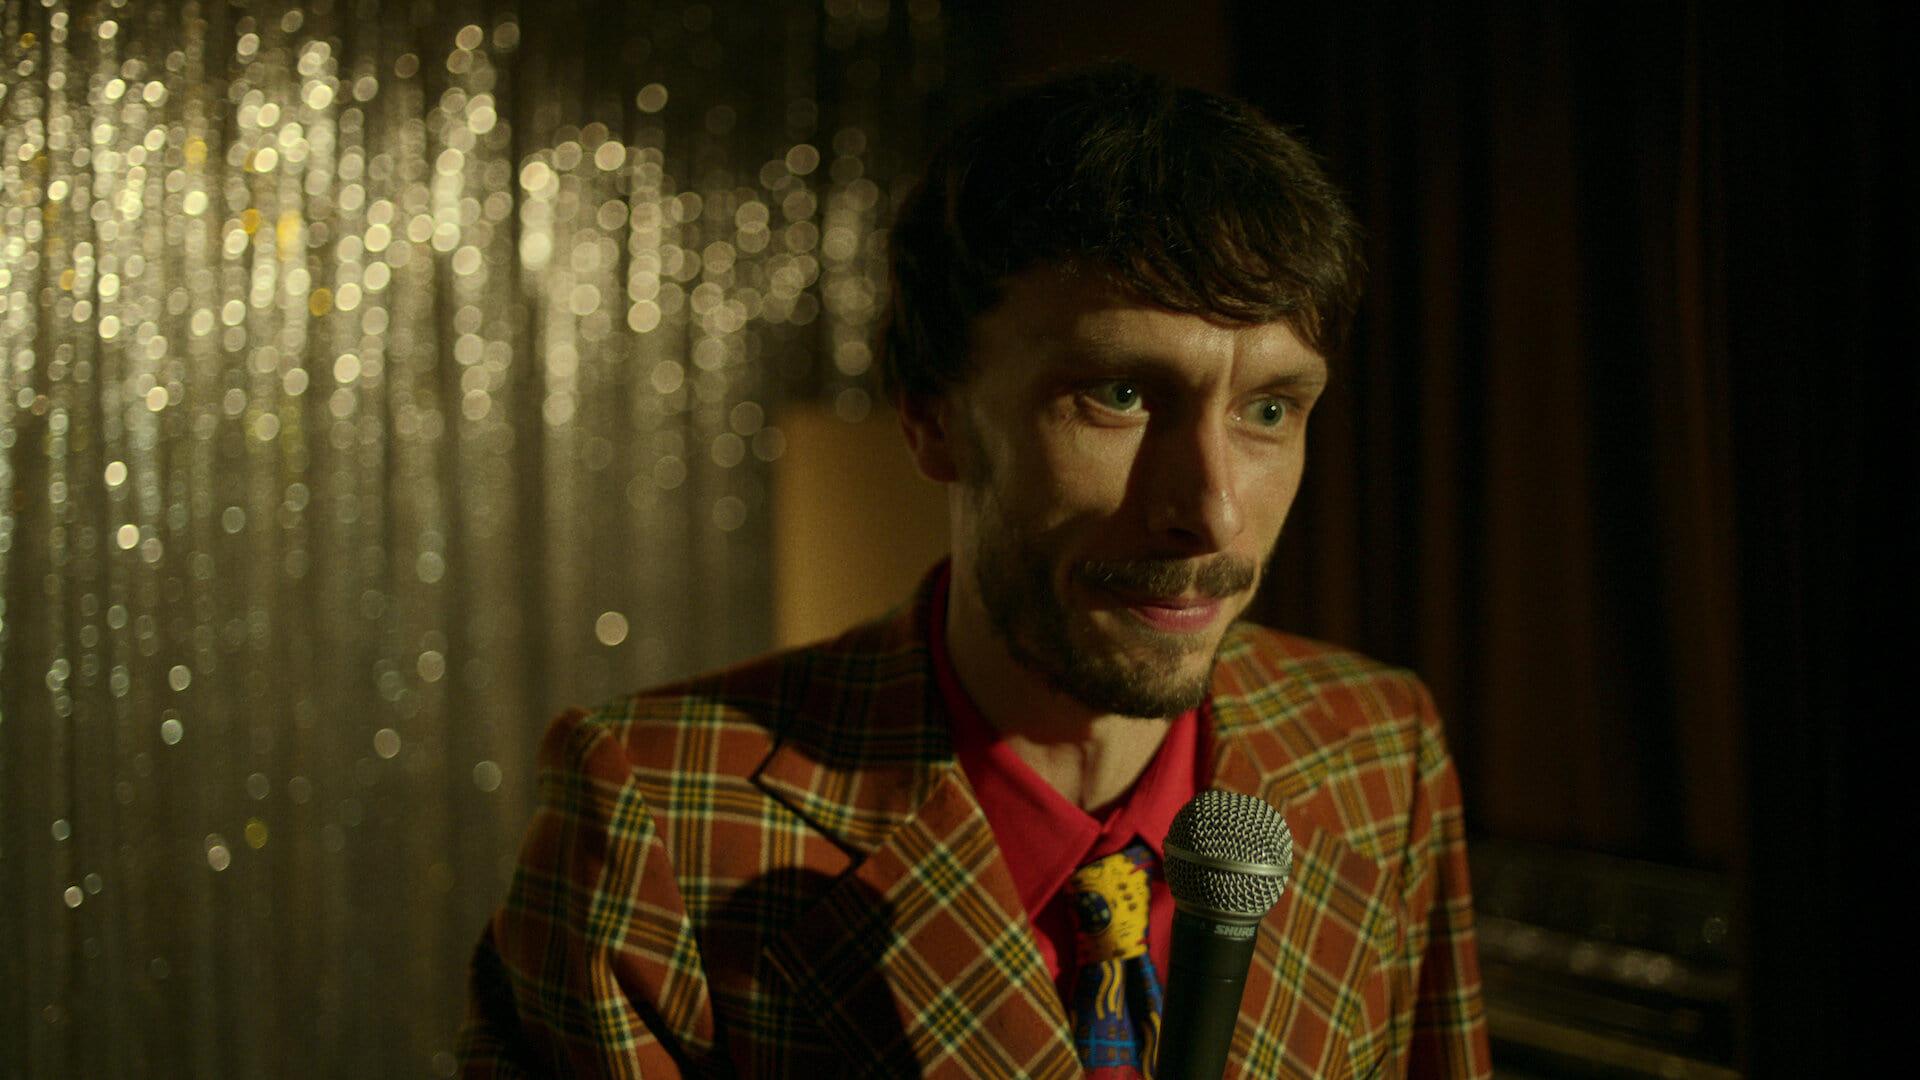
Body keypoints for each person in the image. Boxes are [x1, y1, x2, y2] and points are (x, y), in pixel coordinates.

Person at [459, 64, 1492, 1079]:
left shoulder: (1377, 750)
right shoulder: (655, 816)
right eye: (1121, 395)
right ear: (931, 414)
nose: (1214, 513)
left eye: (1269, 410)